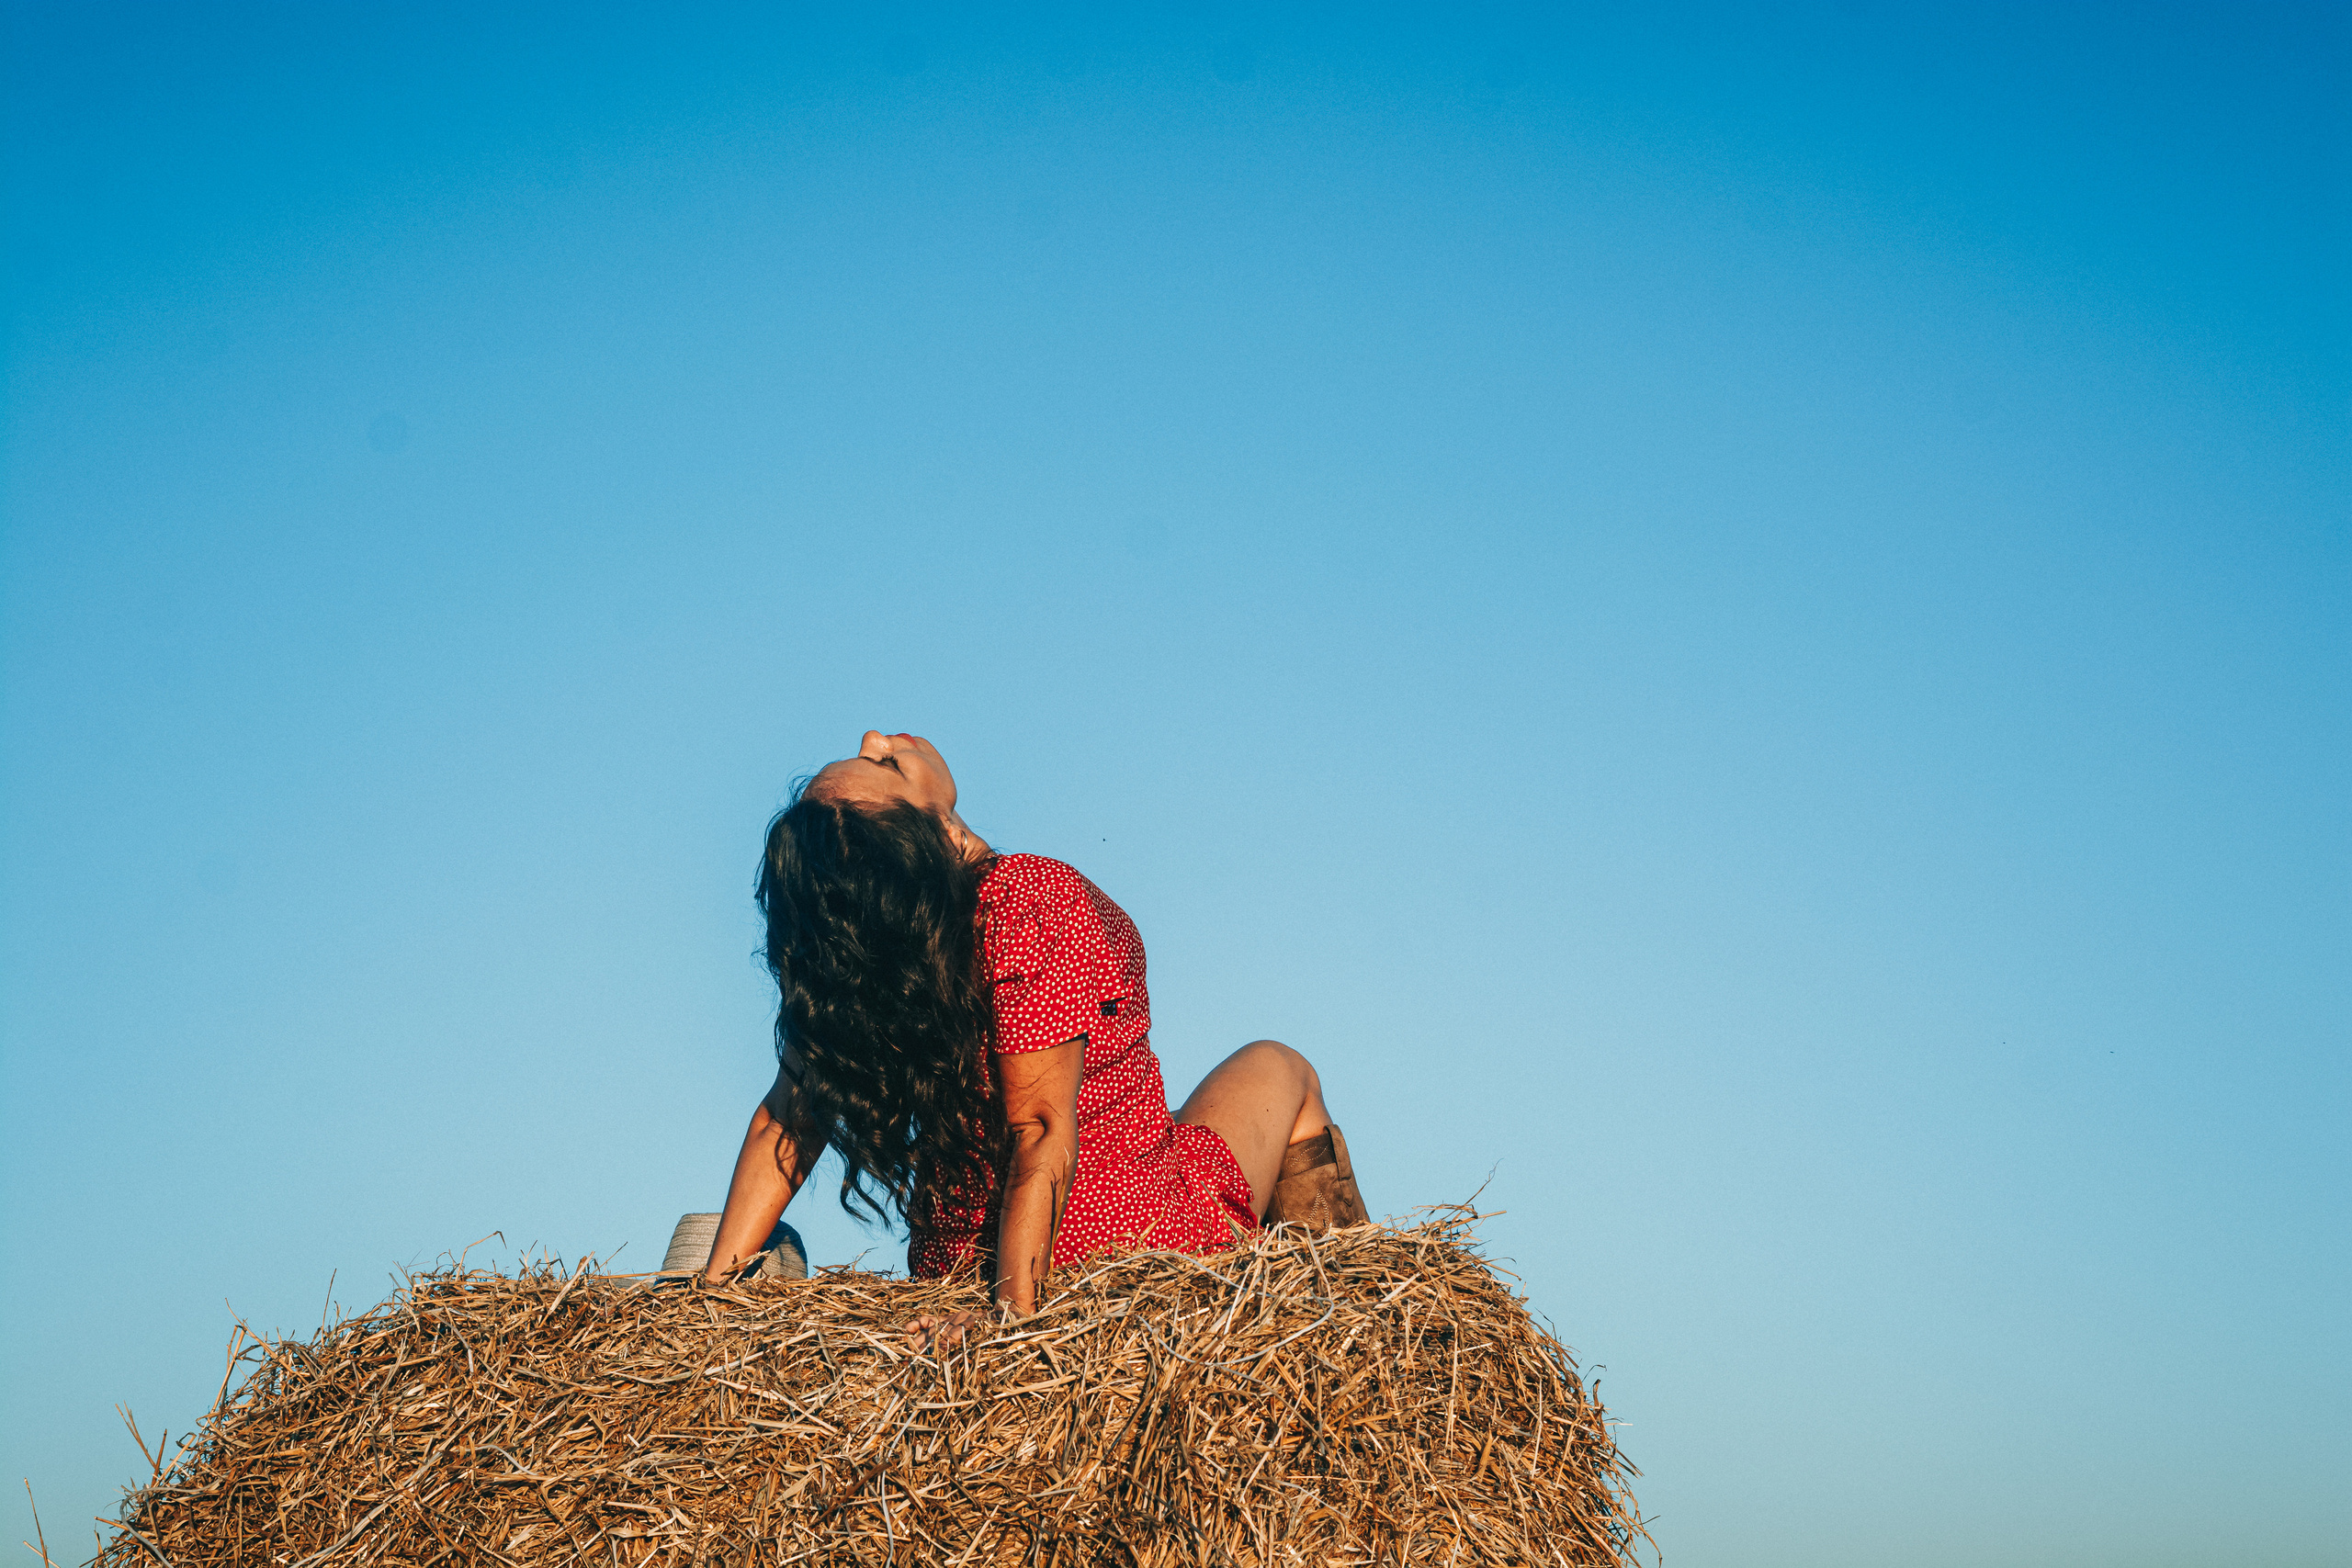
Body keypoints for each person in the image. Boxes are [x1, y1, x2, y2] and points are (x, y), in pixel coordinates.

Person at [701, 730, 1367, 1324]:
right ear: (935, 836)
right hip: (1126, 1252)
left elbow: (784, 1125)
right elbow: (1042, 1130)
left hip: (957, 1269)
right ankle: (1350, 1327)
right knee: (1281, 1064)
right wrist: (1014, 1319)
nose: (879, 736)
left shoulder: (871, 957)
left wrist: (711, 1292)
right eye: (883, 765)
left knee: (1175, 1121)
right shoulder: (1026, 896)